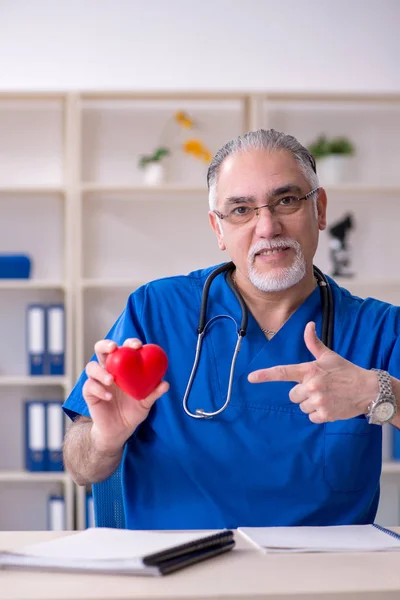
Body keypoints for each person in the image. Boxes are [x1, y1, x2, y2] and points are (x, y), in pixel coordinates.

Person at [63, 128, 400, 530]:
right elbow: (81, 469)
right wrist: (105, 437)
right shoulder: (157, 310)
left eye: (287, 200)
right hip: (179, 576)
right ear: (218, 229)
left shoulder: (378, 328)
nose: (267, 226)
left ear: (320, 209)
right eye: (241, 210)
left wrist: (379, 391)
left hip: (317, 577)